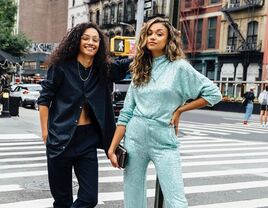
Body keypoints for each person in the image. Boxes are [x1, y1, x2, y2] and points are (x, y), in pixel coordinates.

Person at [108, 17, 222, 208]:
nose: (153, 37)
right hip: (135, 137)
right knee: (132, 195)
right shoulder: (140, 68)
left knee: (176, 200)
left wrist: (180, 110)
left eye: (159, 34)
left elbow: (214, 94)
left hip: (164, 138)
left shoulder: (180, 67)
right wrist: (113, 146)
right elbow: (127, 112)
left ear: (169, 40)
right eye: (150, 33)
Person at [37, 22, 131, 208]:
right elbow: (44, 99)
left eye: (95, 40)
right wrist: (46, 133)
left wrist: (148, 50)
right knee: (62, 201)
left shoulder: (102, 70)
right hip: (60, 139)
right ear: (77, 41)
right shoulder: (61, 67)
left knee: (89, 198)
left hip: (87, 141)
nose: (91, 42)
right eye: (86, 38)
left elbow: (124, 65)